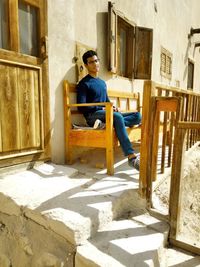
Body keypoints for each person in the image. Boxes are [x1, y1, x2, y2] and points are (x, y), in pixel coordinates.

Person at [77, 50, 141, 170]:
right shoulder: (84, 84)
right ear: (86, 65)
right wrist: (102, 107)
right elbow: (81, 107)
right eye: (91, 62)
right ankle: (131, 157)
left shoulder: (102, 83)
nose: (95, 64)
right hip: (92, 116)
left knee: (138, 116)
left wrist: (113, 106)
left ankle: (107, 124)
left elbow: (106, 101)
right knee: (116, 117)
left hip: (105, 114)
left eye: (96, 61)